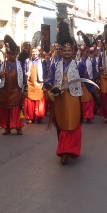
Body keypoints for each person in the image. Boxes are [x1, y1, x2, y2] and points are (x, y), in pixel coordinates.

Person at [44, 21, 83, 165]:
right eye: (64, 50)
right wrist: (49, 85)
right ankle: (63, 151)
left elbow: (86, 79)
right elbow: (49, 78)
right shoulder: (55, 64)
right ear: (61, 51)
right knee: (61, 124)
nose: (67, 52)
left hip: (73, 98)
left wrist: (94, 95)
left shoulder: (80, 64)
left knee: (73, 124)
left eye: (69, 50)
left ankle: (71, 150)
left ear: (73, 51)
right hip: (59, 98)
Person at [0, 35, 25, 135]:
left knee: (16, 110)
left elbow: (23, 78)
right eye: (11, 54)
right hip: (5, 91)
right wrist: (0, 74)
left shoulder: (19, 64)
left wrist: (24, 89)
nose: (14, 56)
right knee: (5, 110)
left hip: (16, 90)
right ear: (7, 54)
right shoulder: (2, 64)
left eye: (15, 54)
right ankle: (7, 127)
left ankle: (18, 126)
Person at [24, 47, 46, 124]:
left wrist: (44, 84)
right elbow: (24, 71)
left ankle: (38, 117)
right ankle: (30, 117)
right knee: (30, 100)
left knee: (39, 100)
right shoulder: (27, 61)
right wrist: (26, 73)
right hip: (30, 83)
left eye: (36, 52)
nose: (34, 54)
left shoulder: (42, 61)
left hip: (39, 82)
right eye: (33, 52)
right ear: (31, 52)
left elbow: (45, 73)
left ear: (39, 52)